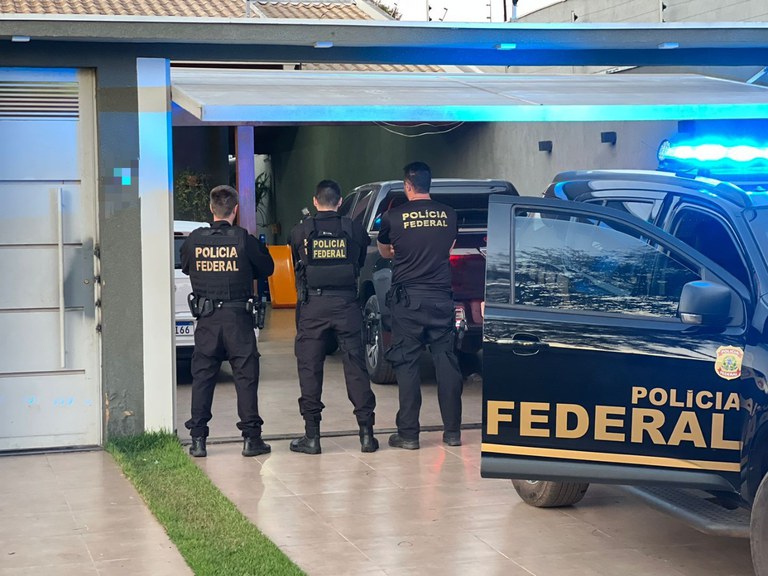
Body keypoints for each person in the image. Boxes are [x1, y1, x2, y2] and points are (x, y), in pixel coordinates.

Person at [181, 185, 275, 458]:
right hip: (238, 319)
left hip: (207, 320)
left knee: (202, 378)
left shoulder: (195, 240)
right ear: (235, 210)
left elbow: (186, 266)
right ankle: (251, 440)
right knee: (246, 378)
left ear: (211, 208)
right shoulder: (244, 239)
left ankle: (198, 440)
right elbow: (267, 268)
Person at [377, 161, 463, 450]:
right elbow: (449, 247)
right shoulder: (449, 214)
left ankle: (409, 434)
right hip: (440, 298)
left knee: (407, 364)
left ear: (407, 186)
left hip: (409, 301)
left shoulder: (393, 217)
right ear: (429, 183)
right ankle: (453, 432)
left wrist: (399, 252)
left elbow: (385, 250)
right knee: (446, 362)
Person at [289, 179, 378, 454]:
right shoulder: (353, 229)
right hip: (346, 304)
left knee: (310, 369)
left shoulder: (301, 231)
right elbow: (359, 261)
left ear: (315, 201)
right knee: (356, 368)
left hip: (313, 306)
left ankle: (312, 437)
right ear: (340, 202)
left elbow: (297, 264)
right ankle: (366, 435)